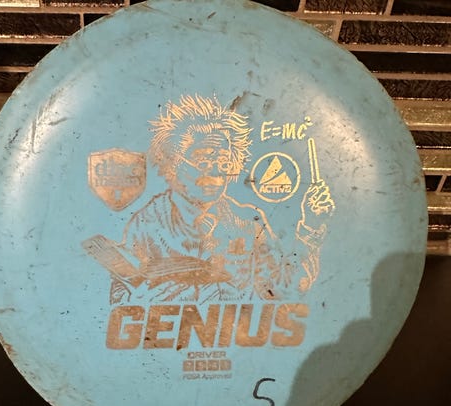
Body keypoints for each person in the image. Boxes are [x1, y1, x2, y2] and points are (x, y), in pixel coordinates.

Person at [84, 94, 334, 304]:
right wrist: (142, 297)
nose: (215, 170)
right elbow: (119, 298)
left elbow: (284, 290)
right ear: (173, 163)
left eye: (224, 162)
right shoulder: (147, 224)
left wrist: (310, 228)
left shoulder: (247, 221)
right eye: (203, 160)